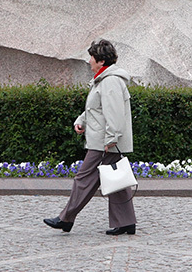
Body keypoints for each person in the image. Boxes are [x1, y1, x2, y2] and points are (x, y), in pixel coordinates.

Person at [44, 39, 137, 236]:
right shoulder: (103, 80)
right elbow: (95, 110)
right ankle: (126, 222)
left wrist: (111, 139)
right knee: (116, 181)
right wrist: (81, 121)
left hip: (104, 142)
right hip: (104, 140)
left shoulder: (110, 81)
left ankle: (65, 218)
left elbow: (114, 113)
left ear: (101, 61)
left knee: (83, 179)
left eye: (92, 57)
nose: (89, 61)